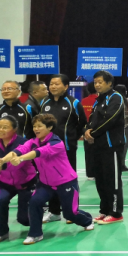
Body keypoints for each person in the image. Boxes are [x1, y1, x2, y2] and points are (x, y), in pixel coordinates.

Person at [0, 114, 93, 244]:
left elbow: (39, 152)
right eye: (34, 126)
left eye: (39, 126)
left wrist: (20, 159)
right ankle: (35, 234)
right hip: (45, 184)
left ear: (49, 127)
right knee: (34, 203)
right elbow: (19, 149)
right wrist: (2, 160)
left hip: (65, 182)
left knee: (70, 214)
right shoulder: (33, 141)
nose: (36, 129)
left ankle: (87, 221)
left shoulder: (56, 143)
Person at [40, 74, 88, 223]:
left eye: (57, 84)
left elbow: (82, 122)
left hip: (67, 149)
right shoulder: (44, 103)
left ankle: (73, 211)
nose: (53, 86)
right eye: (51, 84)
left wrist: (71, 138)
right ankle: (54, 212)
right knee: (51, 180)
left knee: (69, 180)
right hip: (47, 149)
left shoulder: (73, 103)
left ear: (66, 86)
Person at [84, 71, 126, 225]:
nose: (97, 85)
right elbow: (91, 120)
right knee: (100, 180)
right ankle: (104, 210)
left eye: (100, 82)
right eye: (95, 82)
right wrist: (86, 131)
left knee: (112, 180)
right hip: (98, 146)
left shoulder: (116, 97)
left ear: (109, 83)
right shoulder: (98, 100)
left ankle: (116, 212)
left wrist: (93, 133)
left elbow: (110, 119)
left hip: (112, 146)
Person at [0, 116, 38, 242]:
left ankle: (36, 221)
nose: (1, 129)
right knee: (0, 201)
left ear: (14, 129)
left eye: (5, 127)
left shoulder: (24, 143)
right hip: (5, 183)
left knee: (23, 219)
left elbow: (18, 163)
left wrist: (1, 165)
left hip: (26, 183)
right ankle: (2, 231)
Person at [114, 84, 128, 172]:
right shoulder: (125, 101)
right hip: (126, 126)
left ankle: (119, 163)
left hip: (117, 127)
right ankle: (121, 164)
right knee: (125, 146)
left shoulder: (113, 100)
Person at [81, 82, 98, 180]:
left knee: (88, 152)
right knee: (98, 152)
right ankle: (98, 172)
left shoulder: (83, 101)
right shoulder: (100, 100)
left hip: (86, 129)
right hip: (97, 129)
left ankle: (90, 174)